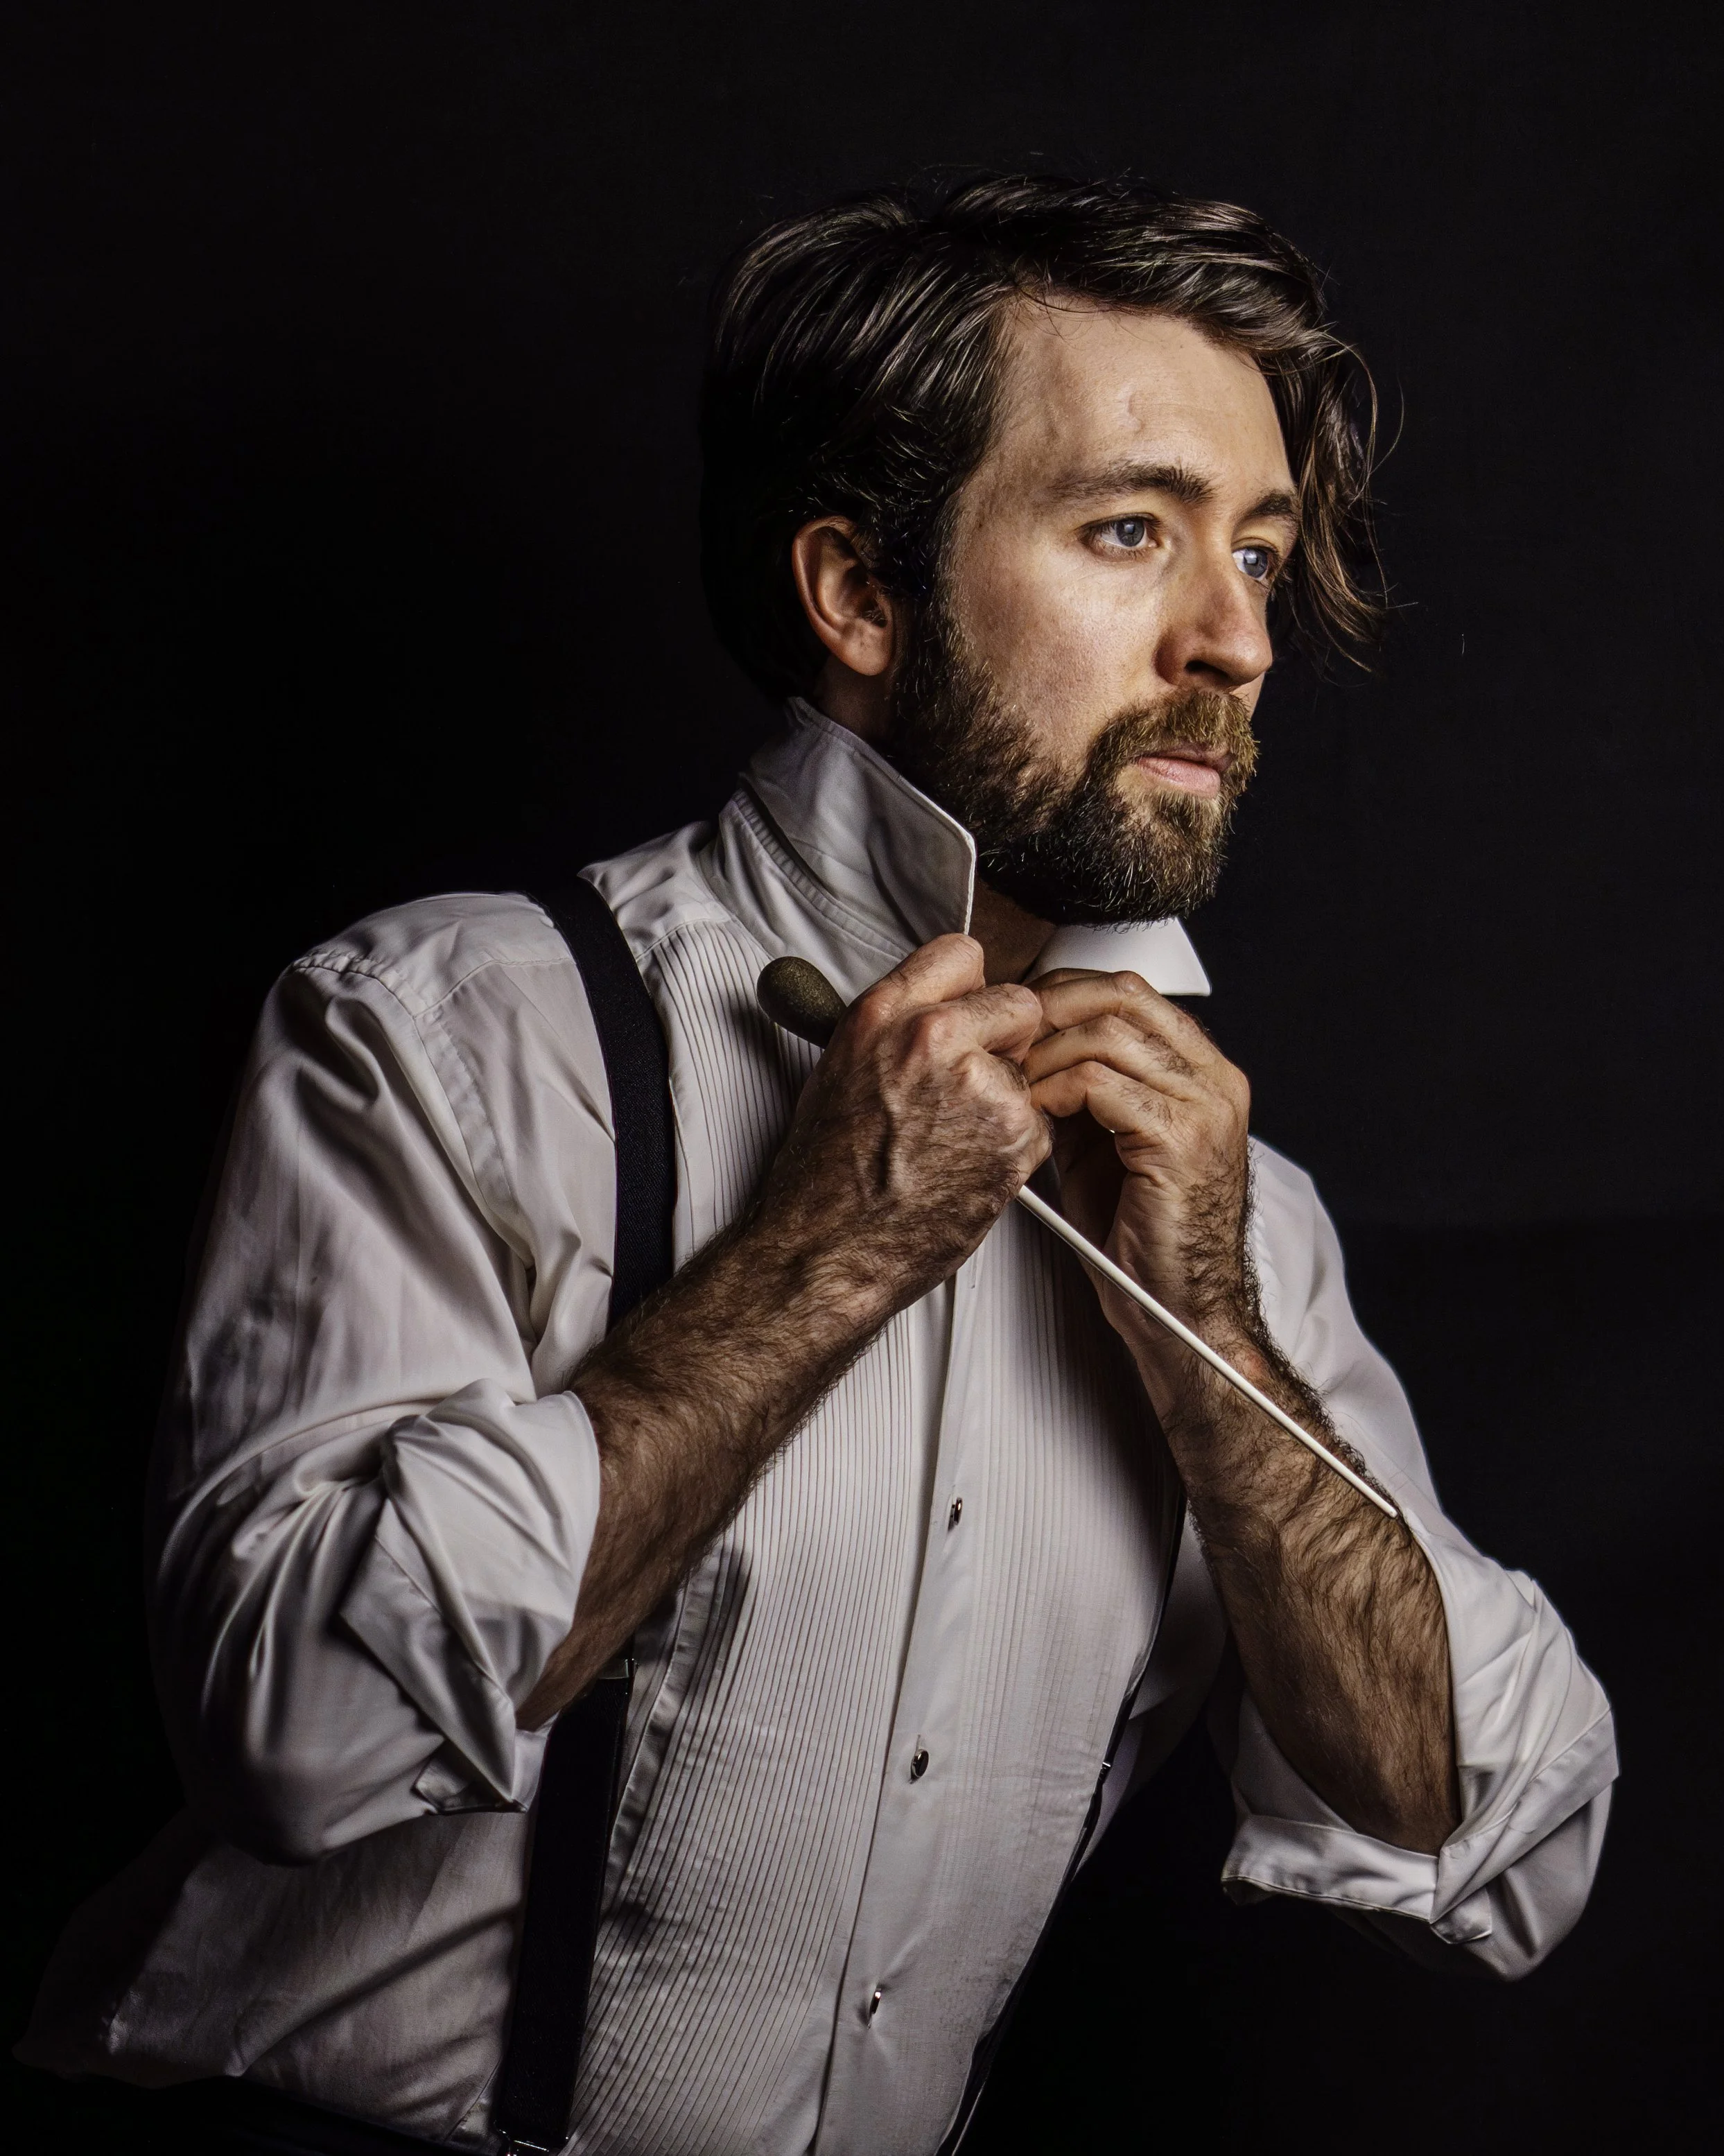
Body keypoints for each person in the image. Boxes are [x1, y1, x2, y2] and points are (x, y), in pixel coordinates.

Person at [21, 175, 1614, 2155]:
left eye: (1261, 557)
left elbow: (1497, 1827)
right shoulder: (447, 1027)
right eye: (1130, 530)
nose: (1233, 643)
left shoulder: (1222, 1213)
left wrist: (1203, 1321)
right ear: (857, 594)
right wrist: (829, 1252)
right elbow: (300, 1729)